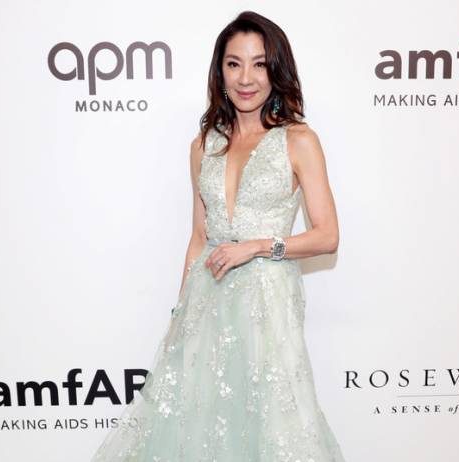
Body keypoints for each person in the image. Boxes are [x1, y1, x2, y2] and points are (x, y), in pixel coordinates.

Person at [91, 10, 345, 462]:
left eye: (259, 64)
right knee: (199, 425)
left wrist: (259, 247)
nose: (246, 78)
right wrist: (180, 313)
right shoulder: (203, 145)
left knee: (270, 424)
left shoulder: (299, 140)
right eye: (234, 63)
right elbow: (198, 237)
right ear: (220, 71)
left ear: (276, 70)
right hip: (206, 300)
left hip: (267, 303)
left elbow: (327, 237)